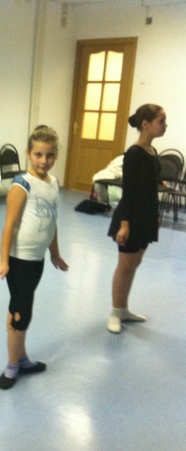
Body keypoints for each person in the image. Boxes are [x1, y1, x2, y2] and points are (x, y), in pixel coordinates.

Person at [0, 125, 69, 390]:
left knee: (24, 307)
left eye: (50, 155)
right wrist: (3, 261)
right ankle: (12, 365)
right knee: (20, 312)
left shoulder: (53, 183)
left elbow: (51, 222)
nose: (44, 160)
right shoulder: (22, 184)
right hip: (20, 260)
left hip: (37, 260)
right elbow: (9, 225)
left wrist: (55, 253)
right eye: (38, 154)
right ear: (28, 154)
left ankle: (21, 358)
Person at [106, 104, 166, 334]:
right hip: (129, 218)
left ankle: (123, 309)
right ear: (145, 124)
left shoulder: (152, 151)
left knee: (135, 263)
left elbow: (150, 186)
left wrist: (154, 216)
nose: (165, 126)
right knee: (125, 265)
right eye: (161, 121)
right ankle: (115, 311)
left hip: (146, 217)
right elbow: (128, 191)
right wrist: (124, 225)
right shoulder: (133, 153)